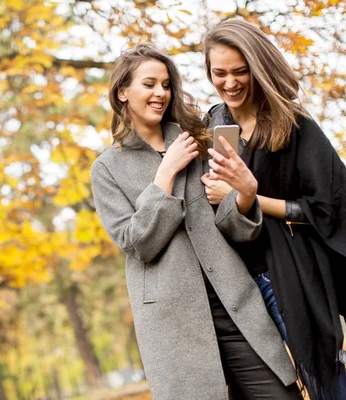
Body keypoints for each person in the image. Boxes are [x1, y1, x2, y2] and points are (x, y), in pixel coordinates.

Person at [90, 43, 301, 399]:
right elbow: (138, 244)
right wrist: (166, 172)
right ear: (123, 91)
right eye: (149, 84)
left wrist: (245, 195)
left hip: (237, 307)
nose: (160, 93)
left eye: (166, 85)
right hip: (175, 325)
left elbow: (235, 228)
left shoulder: (200, 144)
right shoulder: (107, 169)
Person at [202, 18, 346, 400]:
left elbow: (328, 207)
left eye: (240, 72)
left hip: (288, 272)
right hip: (236, 281)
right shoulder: (214, 123)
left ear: (257, 67)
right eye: (219, 73)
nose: (229, 83)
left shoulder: (293, 125)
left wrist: (248, 196)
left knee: (323, 374)